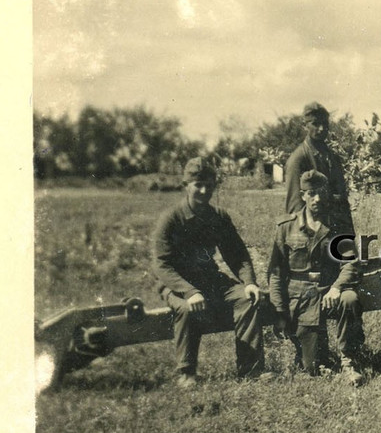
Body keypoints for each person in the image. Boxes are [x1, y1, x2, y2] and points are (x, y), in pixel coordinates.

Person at [152, 157, 268, 387]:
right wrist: (189, 291)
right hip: (177, 284)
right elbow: (161, 265)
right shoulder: (171, 219)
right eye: (198, 185)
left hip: (211, 281)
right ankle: (186, 373)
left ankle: (251, 369)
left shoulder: (218, 218)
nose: (204, 191)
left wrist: (249, 282)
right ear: (186, 185)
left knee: (247, 298)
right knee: (187, 309)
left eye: (209, 185)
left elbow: (238, 254)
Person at [268, 170, 366, 386]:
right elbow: (276, 274)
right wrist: (279, 309)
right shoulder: (286, 228)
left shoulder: (338, 227)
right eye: (311, 193)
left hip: (329, 291)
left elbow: (350, 263)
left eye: (321, 192)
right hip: (300, 299)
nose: (317, 198)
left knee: (349, 299)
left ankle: (349, 361)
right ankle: (313, 356)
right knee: (313, 368)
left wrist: (337, 287)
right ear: (303, 195)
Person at [283, 102, 354, 234]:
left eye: (325, 124)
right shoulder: (298, 159)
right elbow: (295, 206)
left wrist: (348, 235)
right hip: (311, 232)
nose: (321, 129)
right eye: (315, 124)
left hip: (335, 229)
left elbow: (342, 199)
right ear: (305, 126)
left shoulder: (332, 157)